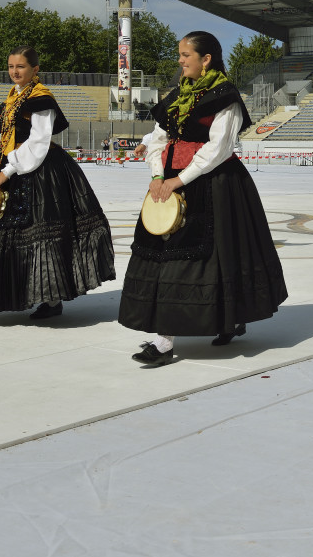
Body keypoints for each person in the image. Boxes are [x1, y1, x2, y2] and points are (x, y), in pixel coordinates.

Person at [119, 32, 288, 367]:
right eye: (180, 55)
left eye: (186, 55)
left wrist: (177, 180)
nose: (180, 61)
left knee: (210, 256)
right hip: (170, 183)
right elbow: (159, 136)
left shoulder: (224, 96)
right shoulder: (179, 93)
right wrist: (157, 176)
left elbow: (219, 148)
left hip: (213, 186)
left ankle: (170, 340)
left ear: (206, 58)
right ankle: (191, 328)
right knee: (166, 255)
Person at [0, 46, 116, 324]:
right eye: (10, 66)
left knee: (38, 234)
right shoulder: (9, 100)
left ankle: (50, 298)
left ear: (35, 70)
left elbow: (38, 142)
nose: (14, 72)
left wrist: (6, 172)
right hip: (5, 166)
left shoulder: (41, 98)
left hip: (37, 170)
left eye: (20, 67)